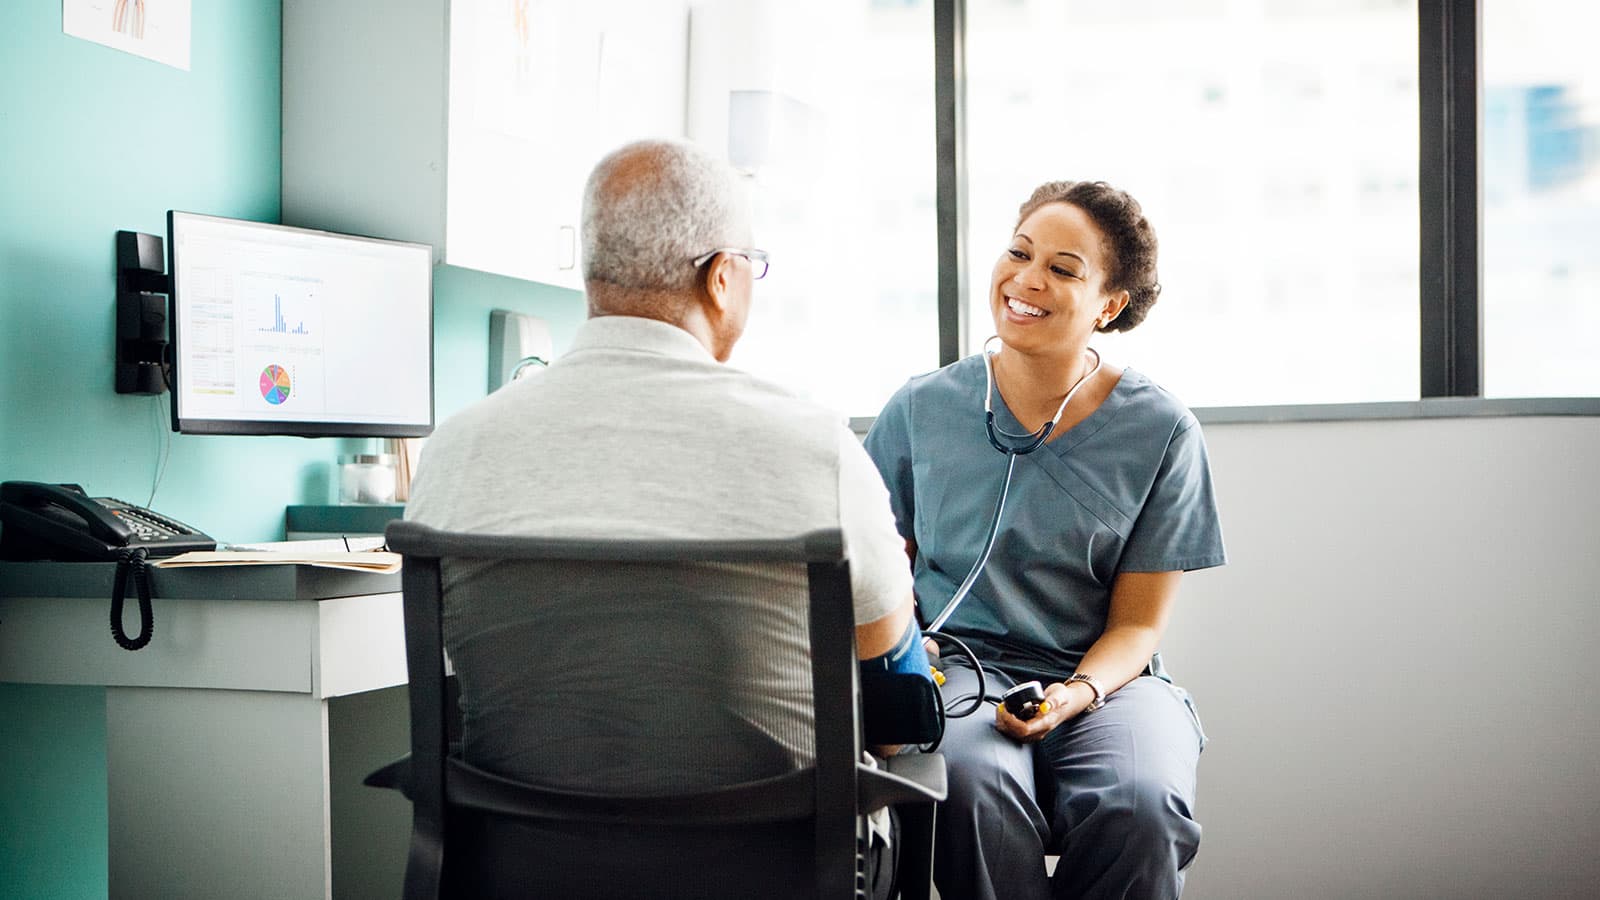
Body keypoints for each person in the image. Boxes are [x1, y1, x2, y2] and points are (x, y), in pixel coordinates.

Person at [404, 139, 925, 896]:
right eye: (753, 264)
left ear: (591, 274)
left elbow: (460, 669)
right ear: (721, 277)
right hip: (772, 869)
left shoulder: (455, 451)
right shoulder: (814, 445)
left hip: (524, 865)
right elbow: (888, 671)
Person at [864, 180, 1225, 900]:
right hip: (961, 670)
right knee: (968, 787)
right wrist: (901, 660)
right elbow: (872, 572)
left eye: (1063, 268)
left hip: (1107, 681)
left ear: (1109, 305)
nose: (1028, 279)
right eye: (1019, 253)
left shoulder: (1160, 432)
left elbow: (1137, 626)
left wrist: (1073, 695)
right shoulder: (920, 411)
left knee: (1141, 803)